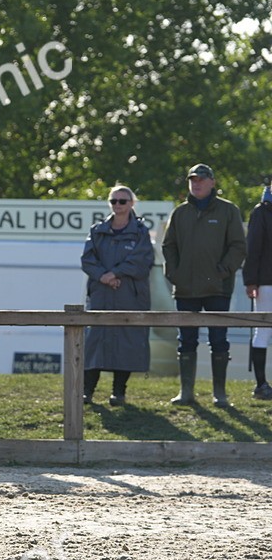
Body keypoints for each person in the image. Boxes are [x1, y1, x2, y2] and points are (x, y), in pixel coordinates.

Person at [163, 163, 246, 406]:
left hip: (217, 288)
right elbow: (169, 246)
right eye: (192, 180)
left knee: (219, 340)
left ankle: (219, 394)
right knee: (186, 340)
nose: (196, 183)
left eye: (201, 179)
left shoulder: (229, 210)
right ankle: (186, 392)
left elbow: (238, 246)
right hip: (186, 289)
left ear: (212, 182)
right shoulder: (180, 213)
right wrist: (174, 274)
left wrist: (223, 271)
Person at [80, 186, 155, 406]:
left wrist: (115, 273)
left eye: (123, 201)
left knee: (126, 342)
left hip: (129, 296)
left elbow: (142, 261)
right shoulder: (97, 230)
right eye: (114, 201)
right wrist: (103, 277)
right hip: (101, 296)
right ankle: (86, 391)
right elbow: (87, 260)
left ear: (132, 203)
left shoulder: (141, 232)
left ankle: (119, 392)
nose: (118, 205)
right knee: (94, 341)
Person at [243, 182, 272, 400]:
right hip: (266, 282)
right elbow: (252, 247)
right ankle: (261, 384)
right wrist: (251, 281)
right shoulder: (261, 212)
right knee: (262, 331)